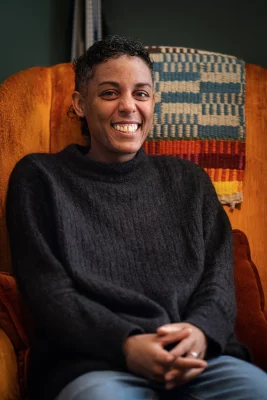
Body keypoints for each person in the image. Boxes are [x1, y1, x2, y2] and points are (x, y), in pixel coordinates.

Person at [6, 35, 267, 400]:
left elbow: (218, 282)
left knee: (258, 389)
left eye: (141, 94)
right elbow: (49, 293)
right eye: (111, 93)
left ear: (153, 103)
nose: (129, 106)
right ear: (81, 104)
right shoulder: (39, 178)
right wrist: (126, 345)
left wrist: (200, 334)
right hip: (94, 365)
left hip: (197, 361)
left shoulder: (189, 182)